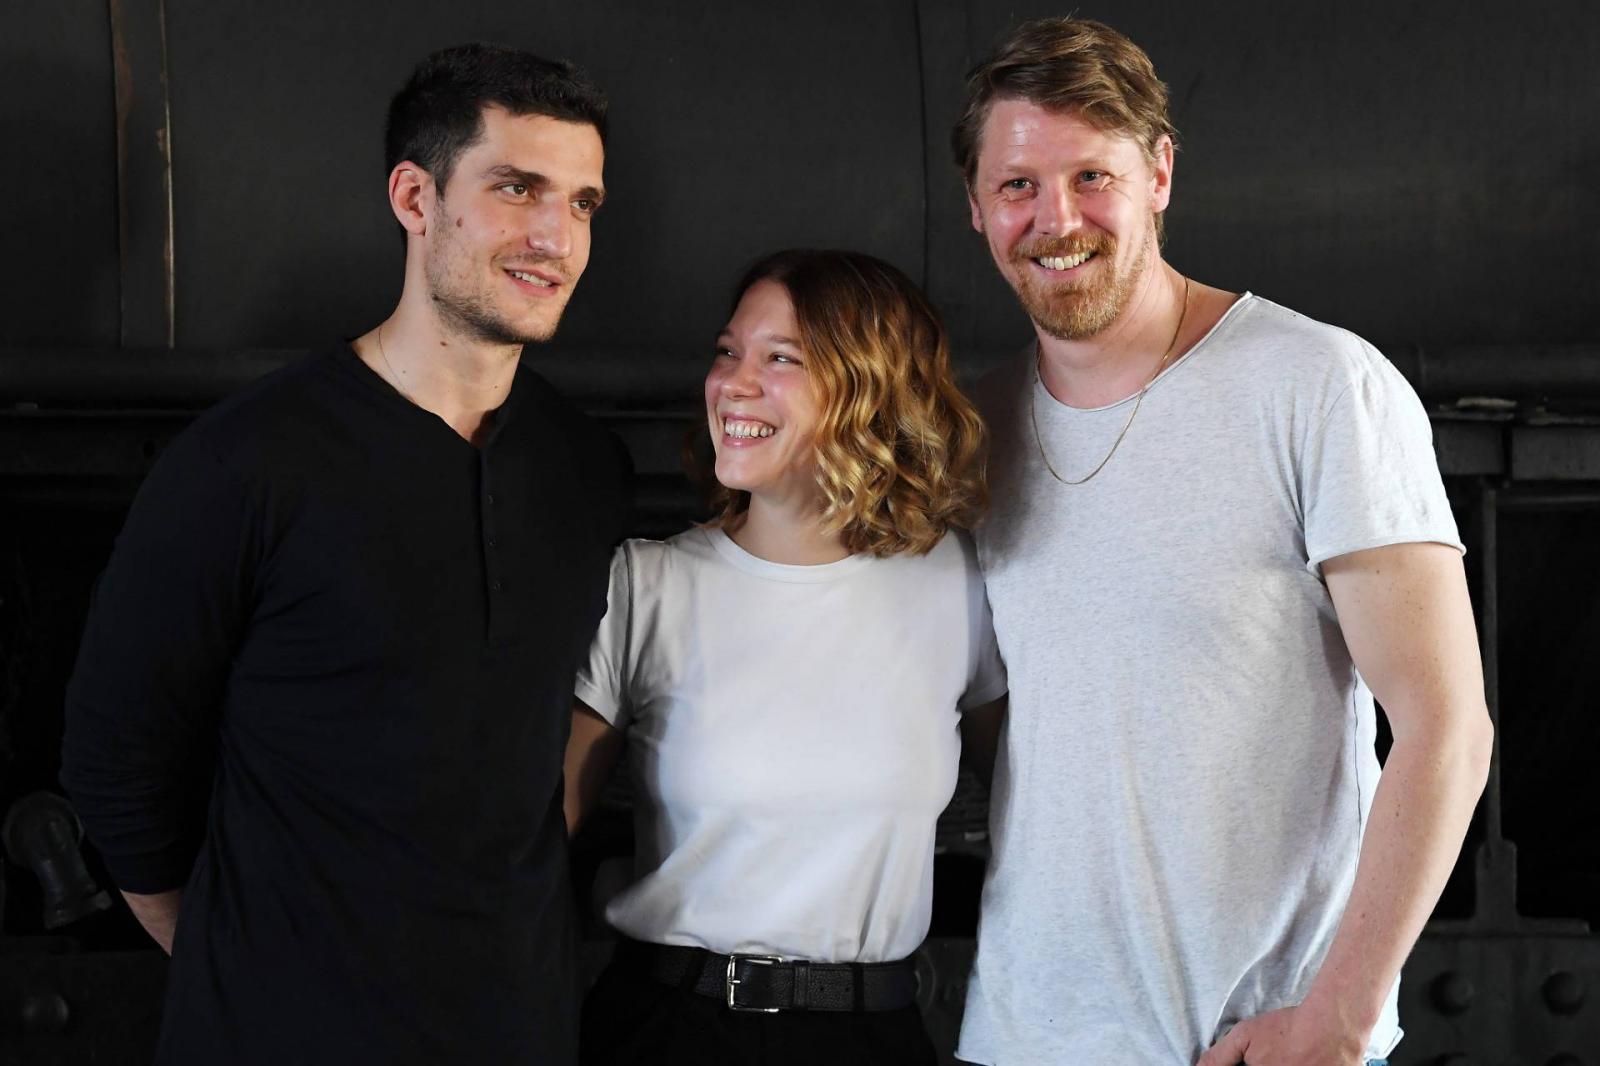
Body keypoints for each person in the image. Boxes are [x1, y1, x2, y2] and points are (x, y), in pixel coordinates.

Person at [60, 43, 626, 1066]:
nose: (557, 236)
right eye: (517, 188)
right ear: (417, 197)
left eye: (582, 203)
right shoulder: (246, 460)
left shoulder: (584, 468)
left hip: (517, 1032)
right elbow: (116, 757)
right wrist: (239, 957)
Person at [948, 18, 1494, 1066]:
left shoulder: (1317, 385)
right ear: (975, 209)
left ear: (1158, 173)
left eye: (1090, 177)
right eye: (1017, 185)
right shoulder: (977, 429)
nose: (1054, 219)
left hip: (1252, 1045)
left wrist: (1336, 1017)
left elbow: (1446, 728)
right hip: (1016, 1039)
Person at [562, 249, 1007, 1066]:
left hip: (873, 1034)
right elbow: (533, 841)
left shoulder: (959, 585)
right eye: (728, 352)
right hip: (668, 1030)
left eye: (781, 359)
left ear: (870, 386)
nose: (732, 384)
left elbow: (1036, 822)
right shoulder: (647, 584)